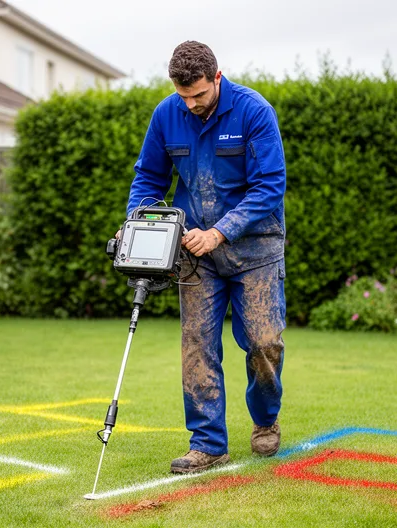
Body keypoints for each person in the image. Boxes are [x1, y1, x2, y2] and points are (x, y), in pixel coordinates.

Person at [125, 40, 287, 474]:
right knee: (197, 345)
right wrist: (137, 221)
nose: (191, 104)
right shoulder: (167, 114)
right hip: (196, 255)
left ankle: (265, 419)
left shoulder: (253, 111)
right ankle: (208, 443)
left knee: (264, 343)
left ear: (217, 77)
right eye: (184, 96)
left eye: (198, 94)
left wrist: (220, 232)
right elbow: (148, 178)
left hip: (255, 249)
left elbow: (270, 185)